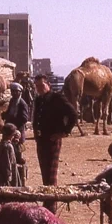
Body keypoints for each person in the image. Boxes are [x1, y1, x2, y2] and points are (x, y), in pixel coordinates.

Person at [32, 75, 78, 213]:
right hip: (41, 141)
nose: (39, 89)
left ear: (48, 85)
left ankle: (51, 208)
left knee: (51, 176)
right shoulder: (38, 100)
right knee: (44, 174)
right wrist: (35, 132)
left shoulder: (57, 98)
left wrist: (64, 132)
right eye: (37, 86)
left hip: (53, 140)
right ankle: (47, 203)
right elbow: (36, 118)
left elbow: (73, 114)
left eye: (41, 86)